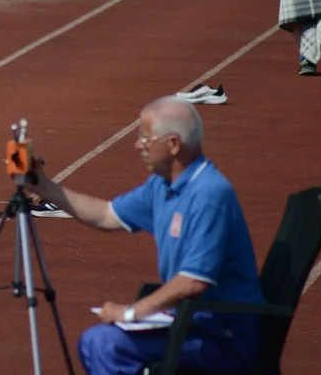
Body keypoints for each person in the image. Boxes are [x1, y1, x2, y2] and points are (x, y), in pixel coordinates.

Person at [24, 96, 266, 374]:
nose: (138, 145)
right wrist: (43, 186)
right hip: (191, 324)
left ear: (173, 144)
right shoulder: (162, 186)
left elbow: (193, 282)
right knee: (97, 343)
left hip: (223, 335)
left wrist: (132, 313)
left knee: (104, 344)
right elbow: (106, 215)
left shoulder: (209, 195)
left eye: (146, 138)